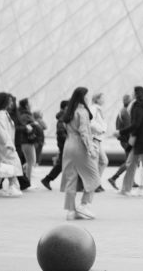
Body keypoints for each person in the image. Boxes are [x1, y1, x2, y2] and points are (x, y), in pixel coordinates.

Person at [59, 87, 100, 219]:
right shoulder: (82, 112)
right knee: (94, 176)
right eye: (87, 96)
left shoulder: (69, 111)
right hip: (79, 146)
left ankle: (70, 211)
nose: (88, 98)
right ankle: (84, 205)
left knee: (71, 179)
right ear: (83, 97)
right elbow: (84, 132)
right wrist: (91, 149)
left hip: (68, 145)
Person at [0, 92, 23, 197]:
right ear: (5, 102)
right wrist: (8, 143)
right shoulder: (0, 114)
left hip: (4, 145)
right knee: (12, 163)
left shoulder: (3, 113)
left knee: (3, 166)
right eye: (10, 101)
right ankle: (12, 187)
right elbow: (2, 130)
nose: (12, 103)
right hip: (4, 145)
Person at [105, 94, 133, 190]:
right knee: (130, 161)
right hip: (127, 140)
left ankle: (131, 180)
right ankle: (113, 178)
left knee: (130, 160)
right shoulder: (126, 113)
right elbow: (129, 128)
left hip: (124, 140)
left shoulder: (122, 111)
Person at [40, 100, 68, 190]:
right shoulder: (63, 116)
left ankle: (47, 179)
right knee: (61, 163)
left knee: (62, 163)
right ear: (65, 107)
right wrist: (68, 138)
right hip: (64, 144)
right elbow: (60, 131)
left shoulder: (63, 116)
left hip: (63, 143)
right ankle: (47, 179)